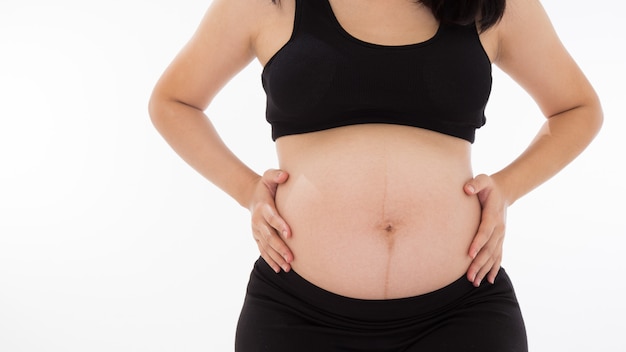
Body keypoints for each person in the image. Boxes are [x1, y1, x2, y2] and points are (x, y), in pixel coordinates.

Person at [149, 0, 602, 350]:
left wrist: (507, 189)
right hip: (297, 315)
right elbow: (174, 101)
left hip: (462, 312)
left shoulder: (489, 5)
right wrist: (246, 189)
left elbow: (578, 109)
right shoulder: (270, 4)